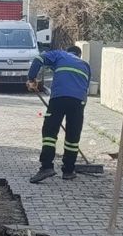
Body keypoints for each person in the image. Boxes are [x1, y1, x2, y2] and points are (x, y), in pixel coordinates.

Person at [26, 46, 91, 183]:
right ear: (79, 55)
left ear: (68, 52)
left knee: (50, 132)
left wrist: (32, 79)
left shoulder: (60, 55)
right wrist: (78, 110)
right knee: (73, 136)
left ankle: (46, 167)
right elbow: (86, 90)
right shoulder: (85, 65)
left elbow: (38, 59)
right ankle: (68, 170)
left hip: (59, 98)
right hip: (78, 101)